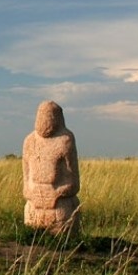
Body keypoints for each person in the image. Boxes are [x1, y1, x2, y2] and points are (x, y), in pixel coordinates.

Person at [22, 100, 81, 235]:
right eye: (41, 114)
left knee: (61, 233)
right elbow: (26, 179)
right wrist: (31, 194)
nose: (45, 119)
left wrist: (56, 193)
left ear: (57, 118)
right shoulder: (29, 141)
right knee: (32, 234)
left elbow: (74, 182)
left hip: (59, 205)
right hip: (34, 204)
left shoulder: (65, 140)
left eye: (49, 115)